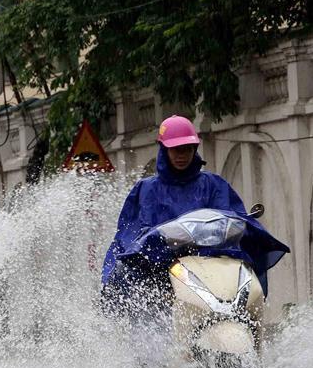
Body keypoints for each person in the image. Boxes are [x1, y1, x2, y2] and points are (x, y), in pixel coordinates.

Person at [101, 115, 249, 315]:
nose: (182, 155)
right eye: (176, 149)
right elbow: (131, 235)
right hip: (160, 270)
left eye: (187, 149)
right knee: (127, 278)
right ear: (164, 150)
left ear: (194, 150)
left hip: (211, 266)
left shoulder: (214, 184)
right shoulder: (146, 190)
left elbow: (232, 219)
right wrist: (156, 246)